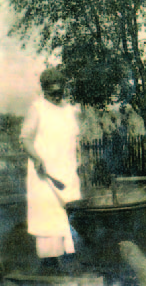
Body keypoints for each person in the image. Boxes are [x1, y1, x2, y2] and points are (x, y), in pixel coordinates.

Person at [20, 67, 81, 274]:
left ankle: (71, 258)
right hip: (44, 174)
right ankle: (50, 265)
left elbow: (74, 138)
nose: (56, 95)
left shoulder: (69, 109)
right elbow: (25, 139)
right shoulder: (37, 109)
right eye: (52, 91)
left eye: (59, 91)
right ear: (44, 90)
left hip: (66, 171)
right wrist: (36, 157)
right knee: (48, 217)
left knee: (69, 214)